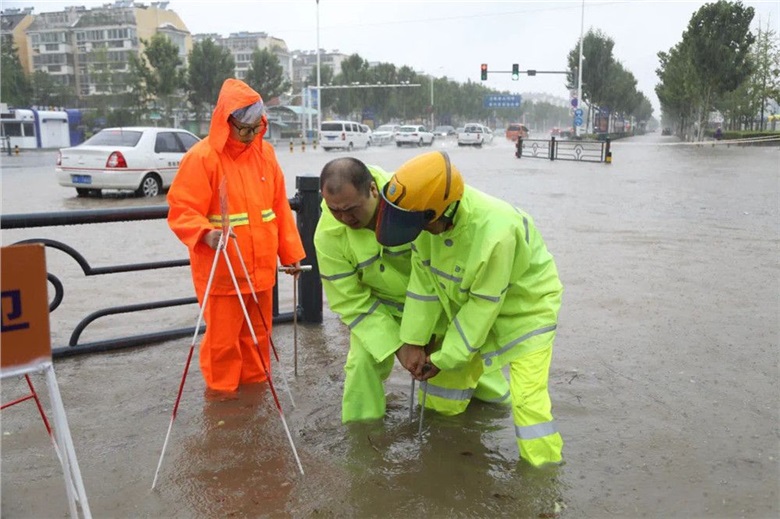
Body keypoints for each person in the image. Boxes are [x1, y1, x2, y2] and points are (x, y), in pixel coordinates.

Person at [374, 151, 564, 467]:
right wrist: (413, 342)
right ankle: (445, 455)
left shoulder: (496, 231)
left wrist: (444, 357)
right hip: (469, 307)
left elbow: (483, 306)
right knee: (440, 392)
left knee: (529, 406)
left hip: (525, 312)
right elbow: (424, 287)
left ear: (442, 211)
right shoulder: (425, 225)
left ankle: (542, 479)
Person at [314, 157, 510, 423]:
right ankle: (362, 433)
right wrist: (400, 346)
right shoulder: (327, 236)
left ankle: (495, 412)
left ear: (373, 190)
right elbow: (350, 301)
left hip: (435, 302)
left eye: (351, 209)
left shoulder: (411, 199)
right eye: (335, 210)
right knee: (361, 365)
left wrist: (418, 337)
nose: (345, 218)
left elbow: (443, 262)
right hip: (380, 310)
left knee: (461, 362)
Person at [167, 78, 305, 395]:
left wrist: (291, 255)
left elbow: (278, 209)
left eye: (256, 128)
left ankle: (254, 395)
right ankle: (222, 401)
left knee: (259, 339)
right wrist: (206, 234)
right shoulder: (203, 158)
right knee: (222, 345)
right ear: (225, 122)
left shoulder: (265, 155)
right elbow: (182, 209)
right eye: (244, 129)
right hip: (222, 272)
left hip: (260, 272)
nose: (250, 135)